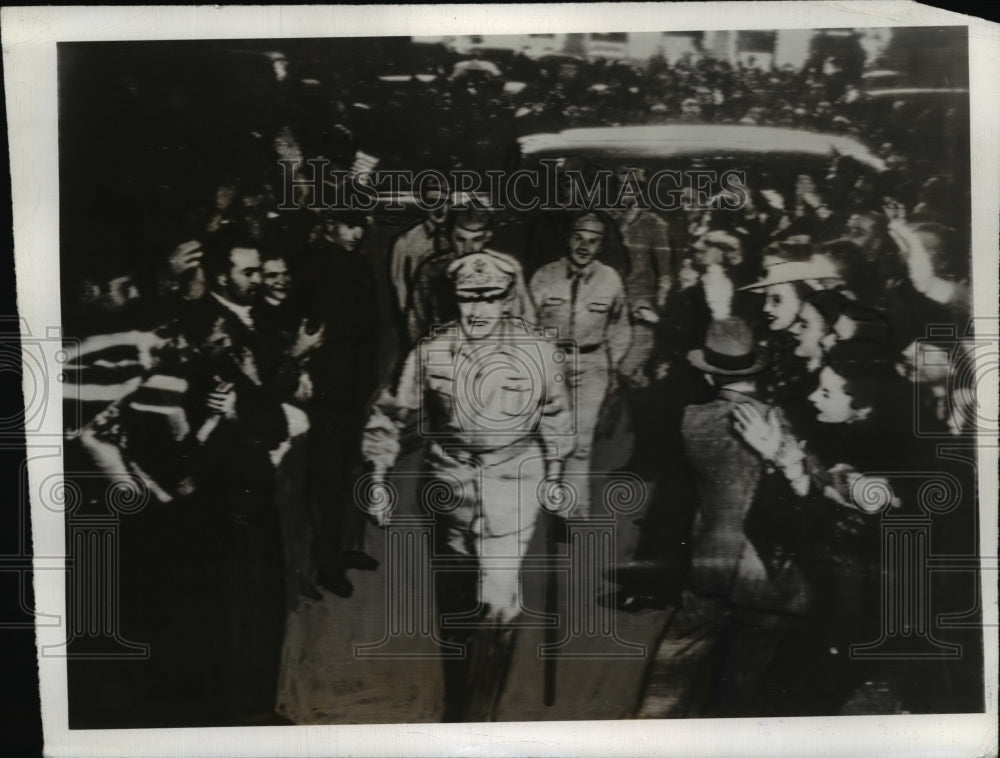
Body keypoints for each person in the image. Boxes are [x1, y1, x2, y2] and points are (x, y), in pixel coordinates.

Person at [362, 252, 573, 722]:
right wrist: (378, 478)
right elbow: (390, 413)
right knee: (456, 601)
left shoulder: (537, 351)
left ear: (507, 299)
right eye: (467, 299)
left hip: (513, 479)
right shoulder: (432, 352)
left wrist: (557, 476)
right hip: (450, 484)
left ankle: (478, 718)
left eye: (490, 299)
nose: (477, 311)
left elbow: (558, 417)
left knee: (498, 604)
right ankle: (461, 695)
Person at [299, 208, 381, 598]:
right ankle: (327, 563)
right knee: (327, 479)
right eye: (349, 225)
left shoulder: (359, 264)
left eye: (360, 226)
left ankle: (344, 549)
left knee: (350, 469)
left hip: (354, 387)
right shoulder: (314, 265)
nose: (356, 233)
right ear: (330, 226)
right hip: (328, 391)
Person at [530, 211, 632, 515]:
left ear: (600, 246)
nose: (584, 247)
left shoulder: (610, 279)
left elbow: (620, 326)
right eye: (579, 238)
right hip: (552, 363)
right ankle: (541, 503)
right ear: (568, 238)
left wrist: (610, 365)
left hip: (592, 365)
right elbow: (525, 322)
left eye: (593, 241)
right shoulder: (544, 276)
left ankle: (571, 511)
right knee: (547, 434)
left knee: (581, 440)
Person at [406, 206, 536, 348]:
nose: (468, 248)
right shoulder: (431, 271)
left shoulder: (505, 268)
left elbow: (526, 320)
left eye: (476, 239)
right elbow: (417, 324)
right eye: (460, 239)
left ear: (488, 236)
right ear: (449, 236)